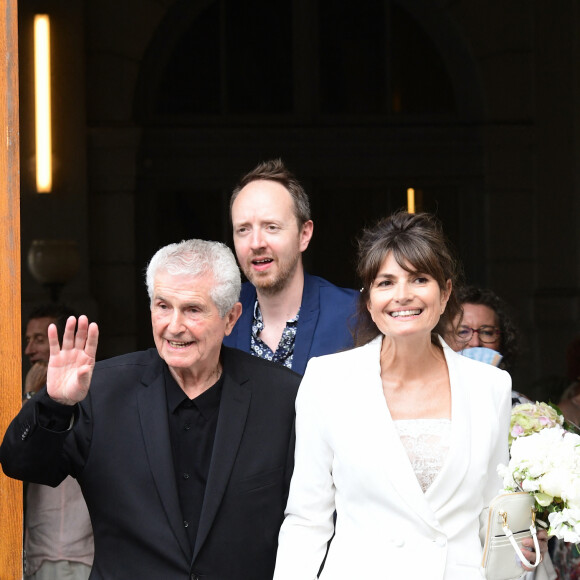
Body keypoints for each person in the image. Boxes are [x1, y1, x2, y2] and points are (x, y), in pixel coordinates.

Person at [1, 240, 300, 580]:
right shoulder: (100, 391)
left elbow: (310, 521)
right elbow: (22, 465)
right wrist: (55, 403)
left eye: (193, 309)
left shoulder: (282, 397)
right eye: (163, 306)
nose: (174, 326)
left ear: (230, 317)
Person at [273, 211, 546, 579]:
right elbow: (307, 520)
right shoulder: (328, 381)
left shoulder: (489, 387)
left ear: (445, 292)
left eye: (419, 279)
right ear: (369, 299)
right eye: (385, 282)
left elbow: (490, 515)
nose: (402, 296)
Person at [224, 159, 358, 375]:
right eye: (243, 230)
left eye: (272, 227)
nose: (256, 243)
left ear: (304, 235)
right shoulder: (217, 314)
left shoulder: (355, 315)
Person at [22, 304, 94, 580]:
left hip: (71, 556)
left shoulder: (83, 398)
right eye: (29, 340)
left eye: (40, 339)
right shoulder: (33, 400)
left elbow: (39, 453)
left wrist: (31, 396)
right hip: (39, 552)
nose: (29, 350)